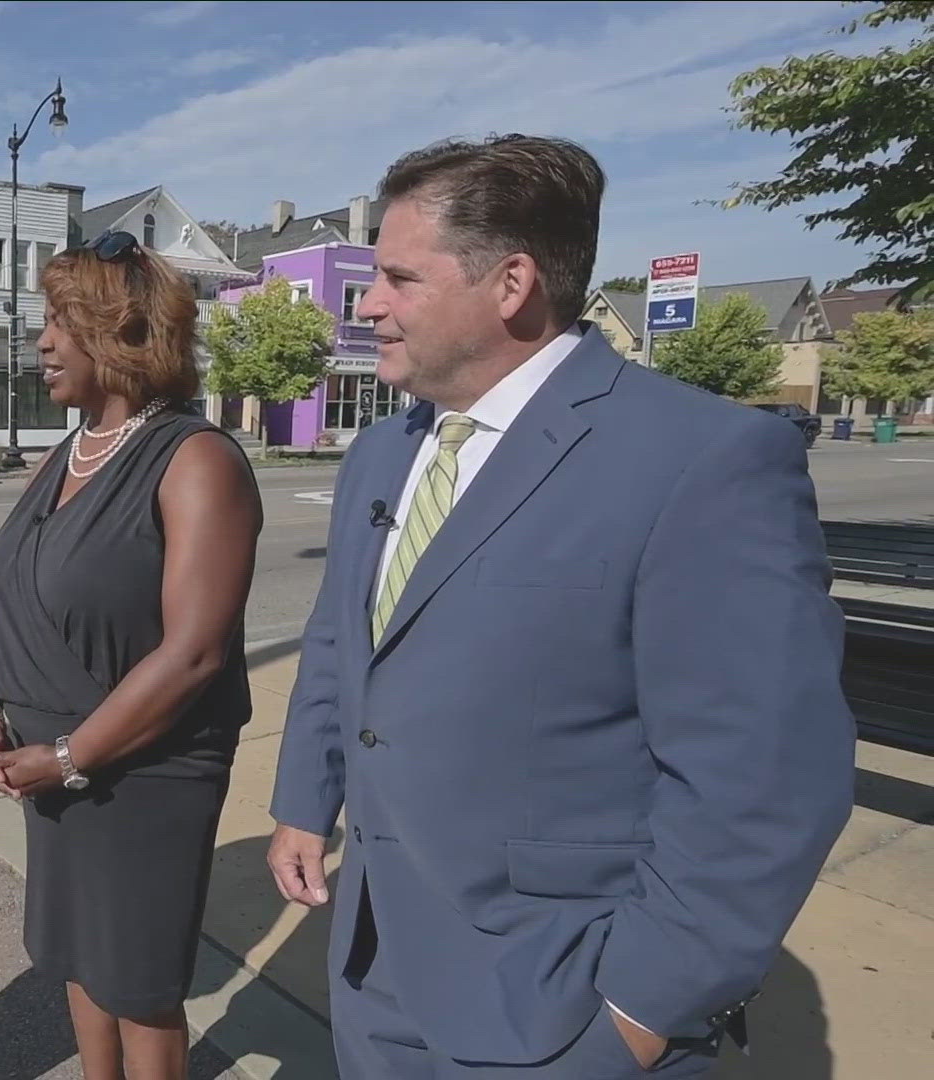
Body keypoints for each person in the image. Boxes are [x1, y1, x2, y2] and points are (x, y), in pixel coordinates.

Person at [266, 134, 855, 1077]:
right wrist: (305, 800)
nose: (369, 303)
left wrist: (640, 1012)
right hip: (374, 967)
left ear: (511, 284)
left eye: (399, 278)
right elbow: (344, 645)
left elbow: (763, 778)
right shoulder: (383, 452)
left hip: (555, 1002)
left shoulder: (702, 460)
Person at [0, 231, 263, 1080]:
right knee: (77, 959)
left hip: (142, 767)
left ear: (123, 333)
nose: (43, 339)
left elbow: (195, 654)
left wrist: (67, 757)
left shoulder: (195, 458)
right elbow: (8, 590)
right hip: (51, 768)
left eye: (63, 319)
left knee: (137, 984)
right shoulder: (66, 454)